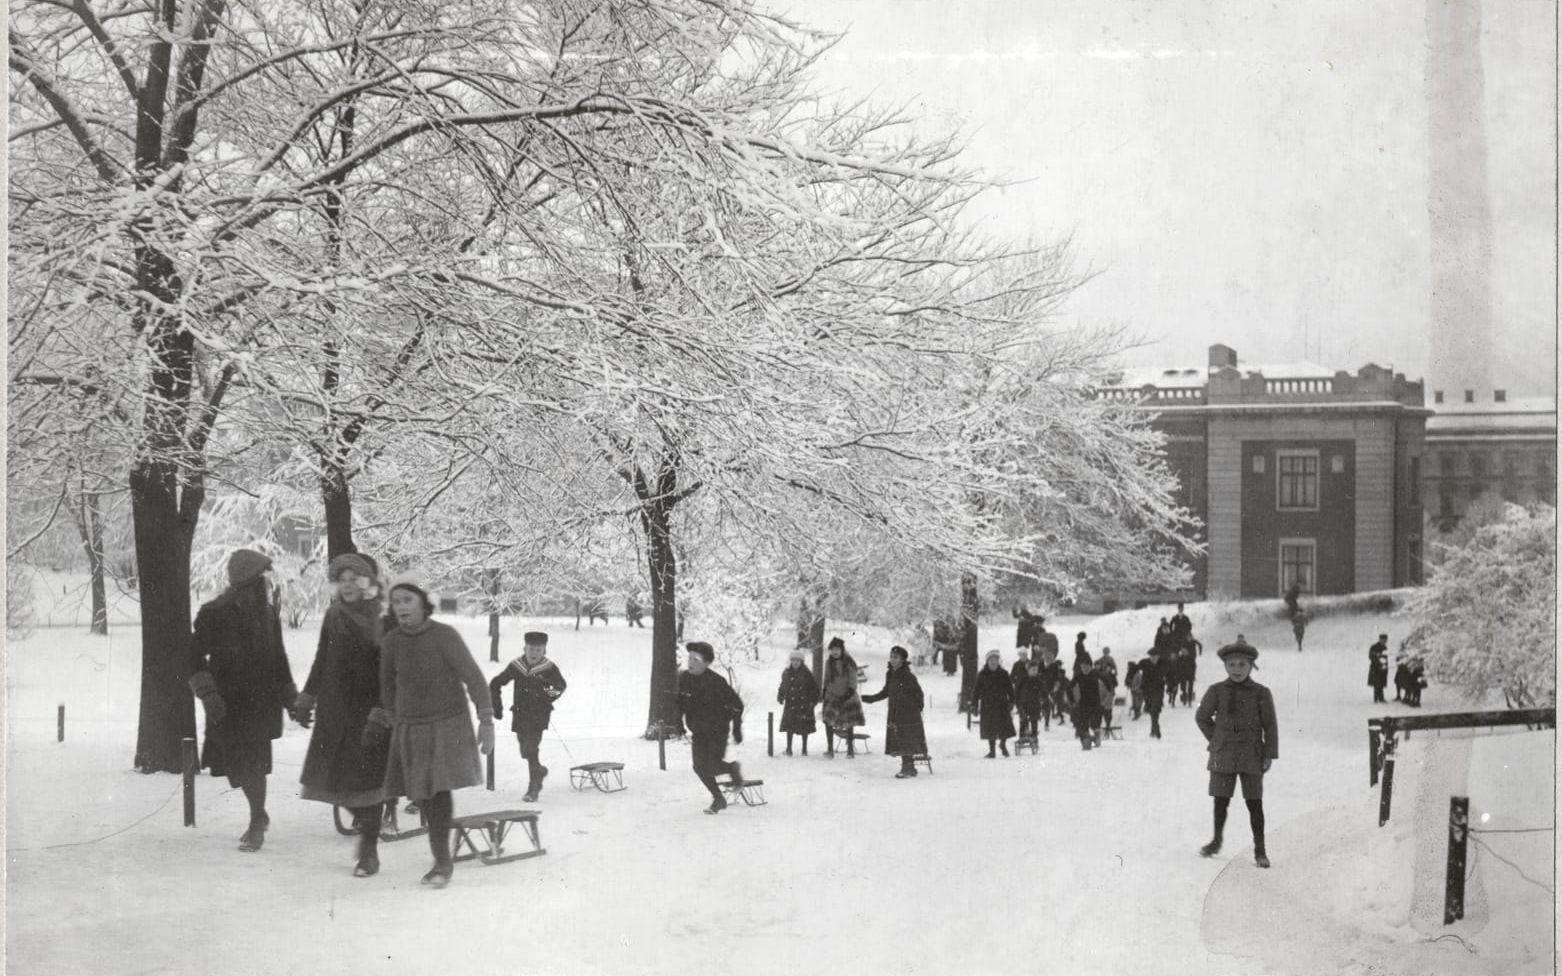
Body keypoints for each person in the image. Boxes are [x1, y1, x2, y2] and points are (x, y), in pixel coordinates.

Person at [369, 577, 495, 888]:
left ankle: (442, 862)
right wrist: (386, 717)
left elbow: (474, 678)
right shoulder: (392, 642)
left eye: (407, 600)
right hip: (410, 728)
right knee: (420, 793)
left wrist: (487, 719)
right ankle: (442, 849)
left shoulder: (445, 636)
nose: (401, 607)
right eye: (396, 602)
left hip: (447, 725)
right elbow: (386, 687)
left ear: (423, 604)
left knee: (436, 792)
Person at [189, 548, 298, 853]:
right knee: (236, 769)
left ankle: (255, 823)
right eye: (260, 579)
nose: (265, 584)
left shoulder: (268, 614)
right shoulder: (213, 614)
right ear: (246, 582)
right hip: (228, 704)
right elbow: (193, 656)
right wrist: (208, 694)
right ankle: (259, 813)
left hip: (262, 703)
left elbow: (279, 658)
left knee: (254, 766)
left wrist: (290, 698)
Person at [295, 552, 389, 876]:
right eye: (343, 580)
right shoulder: (333, 614)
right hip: (335, 710)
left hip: (368, 709)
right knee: (333, 779)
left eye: (354, 580)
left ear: (366, 583)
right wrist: (307, 696)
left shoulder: (380, 616)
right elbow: (322, 658)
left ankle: (370, 850)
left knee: (366, 782)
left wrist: (382, 709)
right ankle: (367, 828)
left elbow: (389, 669)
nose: (348, 586)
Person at [1195, 639, 1278, 868]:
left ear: (1251, 666)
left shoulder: (1261, 693)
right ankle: (1216, 840)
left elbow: (1270, 725)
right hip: (1223, 754)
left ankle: (1260, 850)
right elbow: (1202, 717)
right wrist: (1216, 738)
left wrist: (1268, 753)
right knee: (1220, 800)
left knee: (1254, 802)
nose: (1237, 669)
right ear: (1225, 666)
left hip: (1252, 754)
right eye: (1231, 664)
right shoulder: (1216, 691)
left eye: (1242, 664)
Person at [489, 630, 567, 803]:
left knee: (531, 748)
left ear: (544, 650)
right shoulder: (517, 666)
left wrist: (545, 692)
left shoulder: (549, 668)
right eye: (531, 649)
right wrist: (497, 706)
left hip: (539, 715)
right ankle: (538, 770)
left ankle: (534, 787)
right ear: (524, 648)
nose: (534, 653)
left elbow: (560, 686)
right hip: (520, 714)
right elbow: (496, 682)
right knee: (524, 750)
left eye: (538, 650)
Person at [676, 641, 745, 813]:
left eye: (696, 659)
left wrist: (736, 728)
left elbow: (737, 705)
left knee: (712, 765)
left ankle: (731, 768)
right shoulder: (684, 678)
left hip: (717, 731)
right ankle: (718, 798)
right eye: (690, 658)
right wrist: (678, 723)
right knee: (699, 767)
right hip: (699, 730)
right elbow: (679, 703)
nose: (690, 662)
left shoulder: (716, 682)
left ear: (707, 663)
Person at [860, 646, 928, 778]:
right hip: (895, 711)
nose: (892, 659)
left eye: (896, 657)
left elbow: (918, 693)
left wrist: (916, 708)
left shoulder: (907, 675)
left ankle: (907, 768)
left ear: (902, 660)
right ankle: (910, 768)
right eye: (891, 656)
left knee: (906, 738)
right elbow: (886, 691)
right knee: (900, 738)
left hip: (908, 713)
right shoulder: (890, 674)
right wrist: (871, 698)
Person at [820, 637, 866, 757]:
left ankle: (850, 748)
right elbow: (826, 679)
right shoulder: (828, 663)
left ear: (842, 650)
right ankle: (830, 748)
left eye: (837, 649)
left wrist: (848, 694)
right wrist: (824, 692)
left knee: (848, 723)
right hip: (832, 695)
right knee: (828, 721)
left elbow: (853, 681)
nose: (835, 652)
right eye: (832, 649)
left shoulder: (849, 663)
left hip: (847, 696)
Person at [972, 650, 1016, 757]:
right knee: (990, 728)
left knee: (1004, 728)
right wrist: (974, 705)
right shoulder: (982, 675)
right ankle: (992, 751)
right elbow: (976, 691)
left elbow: (1010, 690)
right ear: (987, 661)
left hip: (1002, 705)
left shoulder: (1004, 674)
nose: (993, 662)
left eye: (995, 660)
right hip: (988, 706)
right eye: (991, 660)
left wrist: (1011, 702)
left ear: (998, 661)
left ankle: (1003, 745)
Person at [776, 649, 820, 756]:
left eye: (798, 661)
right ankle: (789, 748)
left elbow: (814, 689)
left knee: (804, 727)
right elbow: (783, 686)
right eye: (793, 660)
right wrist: (781, 696)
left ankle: (804, 749)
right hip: (791, 704)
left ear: (801, 662)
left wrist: (812, 702)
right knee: (789, 727)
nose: (795, 662)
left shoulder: (807, 674)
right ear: (791, 661)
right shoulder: (786, 673)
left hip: (803, 704)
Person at [1066, 654, 1109, 750]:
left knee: (1095, 723)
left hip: (1095, 703)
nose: (1084, 669)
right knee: (1082, 724)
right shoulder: (1079, 676)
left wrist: (1106, 699)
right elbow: (1069, 688)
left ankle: (1097, 735)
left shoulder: (1096, 674)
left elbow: (1109, 684)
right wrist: (1072, 701)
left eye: (1087, 667)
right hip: (1083, 704)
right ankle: (1086, 740)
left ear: (1091, 666)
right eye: (1082, 667)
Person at [1138, 651, 1166, 740]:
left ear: (1158, 656)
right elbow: (1135, 669)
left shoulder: (1163, 664)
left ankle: (1156, 729)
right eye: (1152, 656)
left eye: (1155, 656)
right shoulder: (1144, 663)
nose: (1153, 658)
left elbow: (1170, 673)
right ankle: (1154, 728)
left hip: (1158, 691)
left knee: (1155, 709)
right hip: (1147, 691)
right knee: (1151, 710)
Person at [1015, 658, 1045, 739]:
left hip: (1035, 704)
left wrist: (1043, 700)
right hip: (1023, 704)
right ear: (1028, 670)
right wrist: (1017, 703)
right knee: (1023, 720)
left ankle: (1034, 736)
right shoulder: (1023, 680)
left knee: (1034, 720)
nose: (1035, 671)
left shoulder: (1038, 680)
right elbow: (1017, 691)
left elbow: (1043, 691)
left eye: (1036, 670)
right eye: (1033, 670)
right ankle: (1022, 736)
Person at [1367, 635, 1389, 704]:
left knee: (1381, 683)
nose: (1384, 641)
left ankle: (1381, 698)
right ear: (1380, 639)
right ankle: (1376, 699)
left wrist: (1385, 666)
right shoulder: (1374, 647)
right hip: (1375, 668)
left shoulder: (1385, 647)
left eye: (1385, 640)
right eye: (1383, 640)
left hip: (1382, 668)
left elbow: (1386, 658)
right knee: (1376, 684)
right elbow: (1370, 656)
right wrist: (1378, 658)